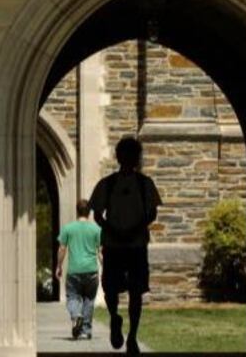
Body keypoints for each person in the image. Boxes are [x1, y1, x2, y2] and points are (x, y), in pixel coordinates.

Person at [89, 137, 162, 354]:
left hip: (136, 245)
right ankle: (114, 318)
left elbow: (152, 213)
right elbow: (97, 214)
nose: (130, 158)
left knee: (136, 292)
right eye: (126, 154)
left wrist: (135, 229)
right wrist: (113, 230)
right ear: (119, 157)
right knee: (110, 289)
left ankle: (132, 337)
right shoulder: (108, 184)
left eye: (133, 155)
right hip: (114, 245)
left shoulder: (145, 184)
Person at [55, 199, 102, 340]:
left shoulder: (68, 228)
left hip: (74, 271)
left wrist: (59, 266)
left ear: (77, 211)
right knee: (89, 300)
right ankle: (86, 330)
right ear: (89, 212)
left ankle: (76, 316)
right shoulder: (97, 230)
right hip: (91, 270)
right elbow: (101, 252)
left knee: (72, 296)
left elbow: (62, 249)